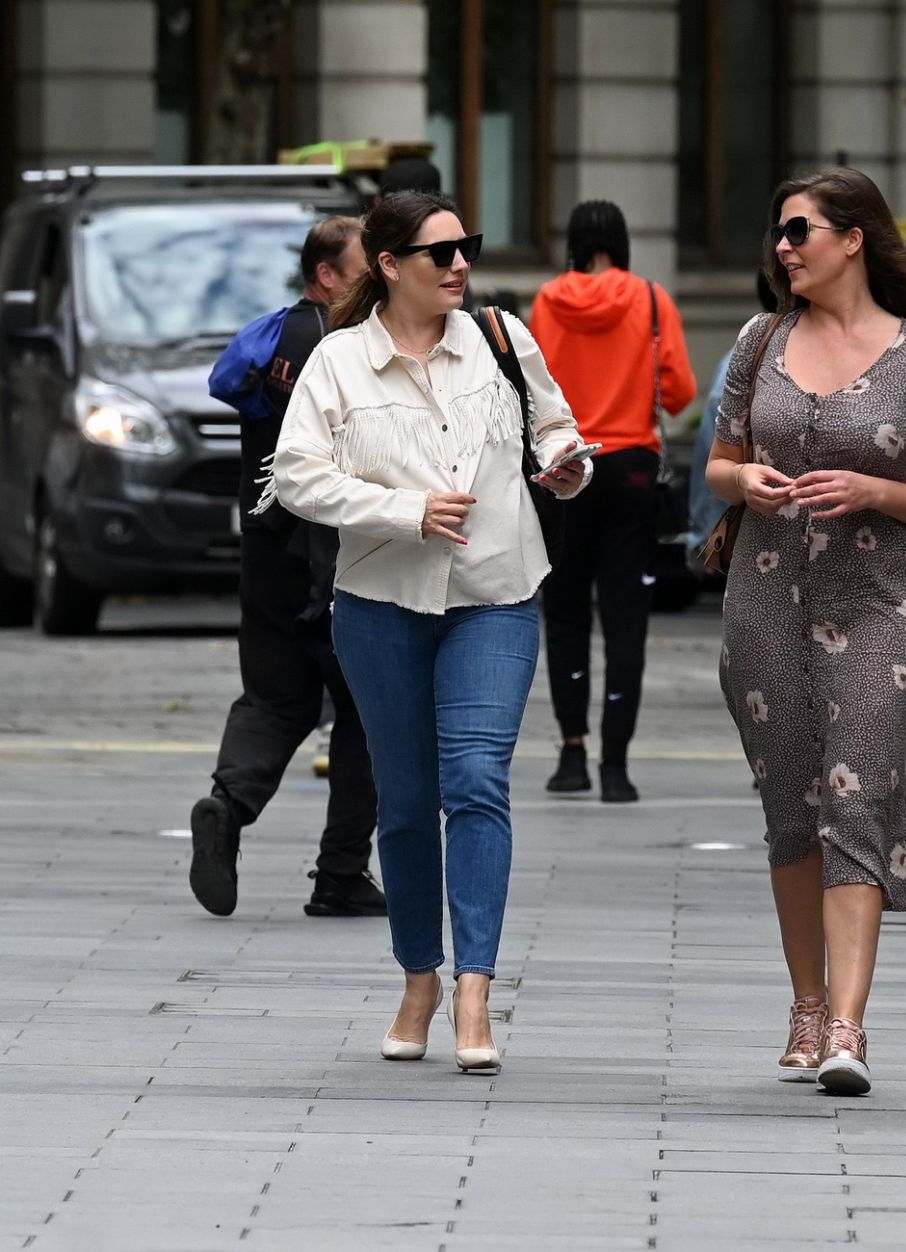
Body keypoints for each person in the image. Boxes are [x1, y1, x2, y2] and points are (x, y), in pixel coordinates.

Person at [264, 191, 590, 1071]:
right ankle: (420, 975)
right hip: (381, 605)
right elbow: (296, 478)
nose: (460, 266)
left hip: (497, 590)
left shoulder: (500, 337)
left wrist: (567, 464)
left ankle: (475, 989)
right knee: (405, 803)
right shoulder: (339, 362)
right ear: (389, 264)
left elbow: (553, 423)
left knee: (476, 778)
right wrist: (404, 511)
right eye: (441, 253)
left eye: (466, 249)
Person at [705, 169, 906, 1096]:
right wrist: (747, 485)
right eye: (780, 234)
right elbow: (720, 463)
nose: (784, 248)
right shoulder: (761, 339)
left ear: (853, 238)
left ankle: (850, 1029)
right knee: (794, 813)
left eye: (799, 231)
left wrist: (872, 491)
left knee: (855, 801)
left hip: (880, 608)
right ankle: (806, 1007)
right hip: (766, 601)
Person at [189, 215, 387, 921]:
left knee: (274, 698)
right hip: (334, 555)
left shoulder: (271, 335)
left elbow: (229, 389)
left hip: (267, 549)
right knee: (367, 710)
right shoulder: (347, 346)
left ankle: (227, 804)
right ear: (326, 274)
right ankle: (340, 874)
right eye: (369, 263)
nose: (383, 273)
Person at [529, 200, 696, 803]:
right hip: (630, 468)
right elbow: (679, 393)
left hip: (567, 464)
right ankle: (616, 766)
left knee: (566, 610)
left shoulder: (548, 301)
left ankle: (571, 753)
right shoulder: (651, 300)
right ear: (621, 241)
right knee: (626, 616)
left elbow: (533, 384)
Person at [686, 271, 778, 566]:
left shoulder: (743, 352)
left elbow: (707, 451)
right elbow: (715, 458)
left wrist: (704, 531)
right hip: (760, 537)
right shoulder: (749, 350)